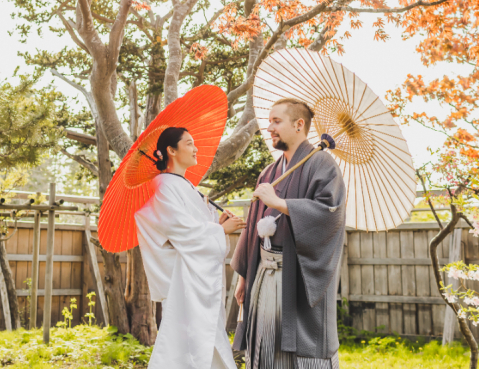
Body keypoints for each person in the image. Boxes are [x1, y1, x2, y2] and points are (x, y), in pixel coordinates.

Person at [231, 98, 346, 369]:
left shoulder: (323, 166)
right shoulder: (269, 173)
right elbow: (253, 224)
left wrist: (280, 203)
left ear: (299, 125)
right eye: (269, 121)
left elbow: (329, 213)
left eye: (276, 121)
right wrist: (244, 276)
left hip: (296, 274)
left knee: (298, 351)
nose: (269, 127)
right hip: (263, 272)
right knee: (264, 345)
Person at [135, 127, 246, 369]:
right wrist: (220, 231)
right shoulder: (163, 185)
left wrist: (217, 225)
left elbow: (192, 228)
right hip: (185, 279)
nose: (196, 149)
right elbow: (178, 230)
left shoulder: (185, 185)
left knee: (204, 335)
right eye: (189, 143)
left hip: (198, 276)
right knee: (188, 340)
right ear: (171, 150)